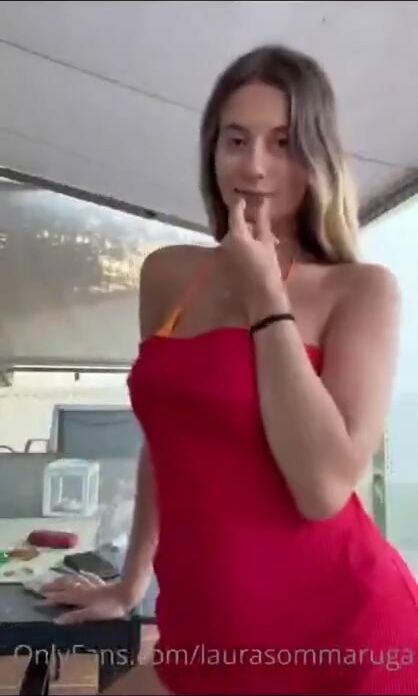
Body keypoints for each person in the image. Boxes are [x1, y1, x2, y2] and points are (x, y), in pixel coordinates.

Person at [42, 44, 418, 695]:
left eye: (282, 142)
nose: (254, 165)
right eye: (235, 139)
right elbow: (167, 442)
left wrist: (266, 296)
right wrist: (131, 582)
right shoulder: (169, 274)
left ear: (318, 156)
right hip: (206, 633)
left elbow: (324, 489)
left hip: (342, 640)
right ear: (211, 151)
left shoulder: (360, 291)